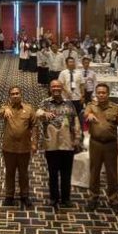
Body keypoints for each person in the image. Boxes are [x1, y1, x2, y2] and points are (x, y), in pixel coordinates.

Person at [37, 79, 81, 209]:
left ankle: (66, 198)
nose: (56, 88)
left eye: (58, 86)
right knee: (53, 173)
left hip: (67, 143)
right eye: (53, 86)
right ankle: (54, 198)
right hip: (51, 144)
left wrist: (77, 138)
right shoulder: (45, 103)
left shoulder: (69, 104)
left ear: (62, 88)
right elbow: (37, 113)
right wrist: (44, 113)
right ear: (50, 89)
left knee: (66, 174)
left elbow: (76, 121)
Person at [84, 83, 118, 212]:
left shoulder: (116, 108)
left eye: (104, 93)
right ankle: (93, 197)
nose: (101, 95)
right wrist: (88, 116)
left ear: (108, 94)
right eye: (99, 93)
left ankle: (113, 199)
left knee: (112, 173)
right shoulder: (91, 106)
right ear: (96, 94)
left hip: (111, 144)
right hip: (95, 143)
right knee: (94, 172)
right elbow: (85, 116)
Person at [0, 86, 38, 208]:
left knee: (23, 173)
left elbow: (35, 126)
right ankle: (9, 196)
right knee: (9, 173)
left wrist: (34, 143)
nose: (15, 95)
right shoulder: (5, 108)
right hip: (9, 148)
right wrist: (5, 109)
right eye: (12, 94)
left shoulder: (29, 109)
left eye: (17, 93)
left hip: (24, 148)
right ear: (9, 96)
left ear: (21, 95)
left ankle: (24, 195)